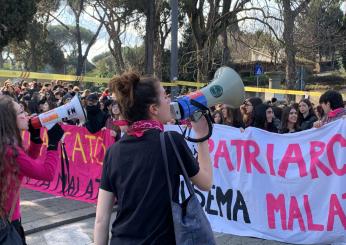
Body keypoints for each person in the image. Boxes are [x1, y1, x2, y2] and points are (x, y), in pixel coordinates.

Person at [94, 72, 213, 245]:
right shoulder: (172, 141)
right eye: (165, 96)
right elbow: (206, 182)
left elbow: (101, 218)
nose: (169, 101)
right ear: (154, 109)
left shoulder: (113, 151)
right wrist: (202, 137)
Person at [0, 95, 64, 244]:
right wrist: (53, 145)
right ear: (10, 120)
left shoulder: (6, 146)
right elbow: (46, 174)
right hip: (8, 222)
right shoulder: (11, 150)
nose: (26, 115)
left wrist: (35, 140)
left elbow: (24, 165)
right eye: (21, 112)